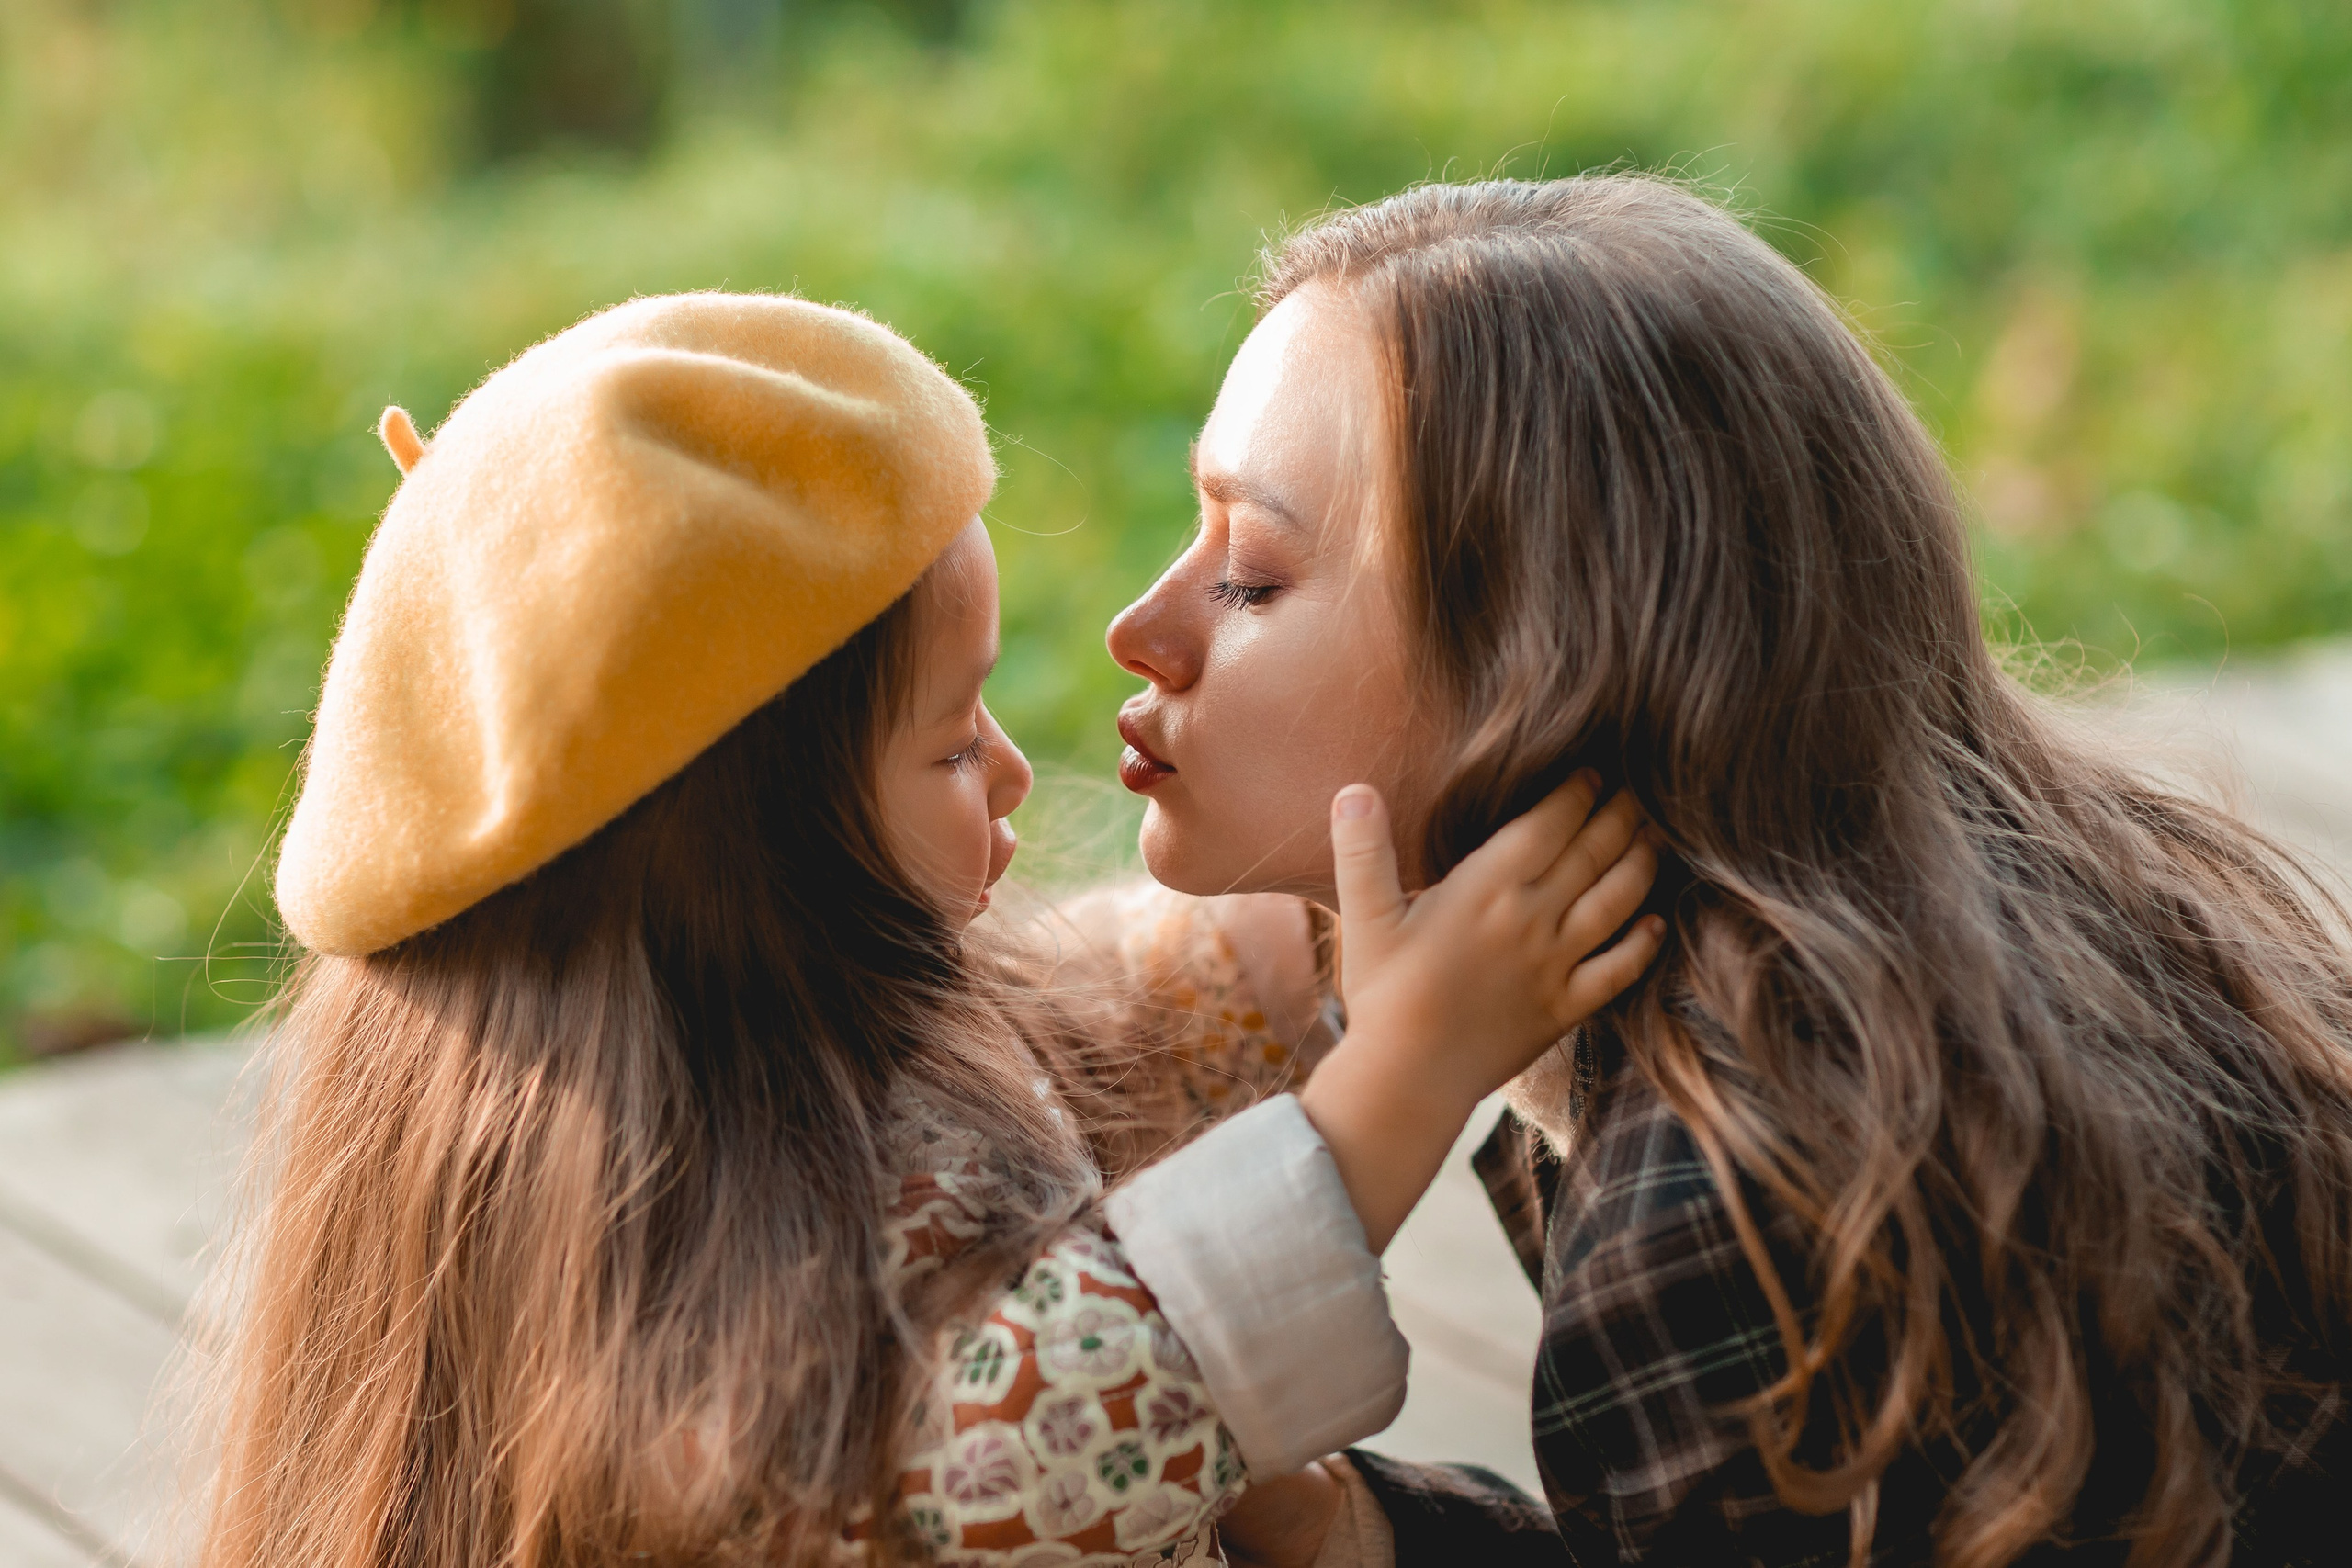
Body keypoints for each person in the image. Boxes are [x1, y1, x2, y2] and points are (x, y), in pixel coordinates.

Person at [193, 290, 1663, 1568]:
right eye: (956, 743)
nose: (1016, 769)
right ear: (746, 852)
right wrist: (1398, 1081)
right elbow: (1006, 1457)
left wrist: (1342, 937)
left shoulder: (754, 1037)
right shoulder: (660, 1273)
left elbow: (1108, 1012)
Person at [1110, 175, 2352, 1566]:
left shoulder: (1720, 1221)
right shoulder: (2064, 926)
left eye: (1254, 576)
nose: (1137, 626)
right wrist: (1358, 1530)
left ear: (1544, 672)